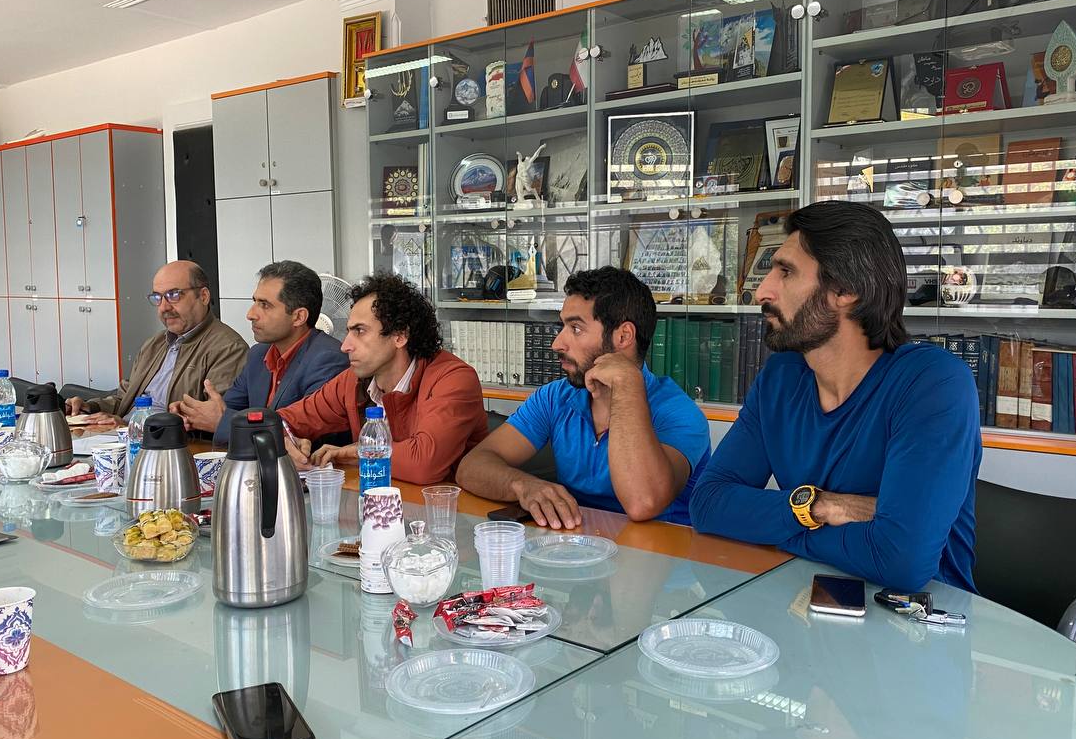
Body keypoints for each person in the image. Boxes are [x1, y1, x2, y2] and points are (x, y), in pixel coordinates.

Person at [689, 201, 980, 593]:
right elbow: (708, 504)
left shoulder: (932, 383)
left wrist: (774, 527)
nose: (761, 291)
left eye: (786, 272)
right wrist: (820, 506)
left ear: (846, 289)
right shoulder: (781, 378)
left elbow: (899, 561)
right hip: (808, 598)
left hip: (921, 615)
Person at [456, 267, 710, 529]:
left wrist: (626, 384)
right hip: (576, 544)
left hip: (657, 550)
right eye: (563, 326)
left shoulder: (680, 414)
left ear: (623, 336)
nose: (557, 344)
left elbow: (642, 503)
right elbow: (471, 467)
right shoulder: (554, 397)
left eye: (576, 328)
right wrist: (522, 485)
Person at [278, 271, 486, 485]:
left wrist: (357, 452)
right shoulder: (352, 380)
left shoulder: (454, 379)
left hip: (446, 504)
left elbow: (423, 465)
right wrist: (285, 440)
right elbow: (282, 420)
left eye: (360, 331)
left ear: (400, 336)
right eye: (349, 331)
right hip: (376, 499)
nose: (344, 346)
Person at [169, 261, 348, 444]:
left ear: (298, 317)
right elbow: (227, 410)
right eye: (255, 301)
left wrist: (221, 422)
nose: (250, 314)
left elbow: (304, 436)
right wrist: (193, 413)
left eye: (265, 305)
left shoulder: (329, 359)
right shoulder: (258, 354)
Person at [66, 261, 247, 423]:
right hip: (124, 435)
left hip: (167, 443)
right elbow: (126, 398)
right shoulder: (155, 343)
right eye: (157, 298)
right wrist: (90, 408)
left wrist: (127, 426)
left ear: (204, 296)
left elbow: (211, 420)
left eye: (174, 295)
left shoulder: (228, 349)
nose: (164, 307)